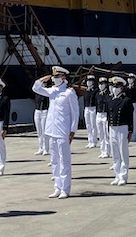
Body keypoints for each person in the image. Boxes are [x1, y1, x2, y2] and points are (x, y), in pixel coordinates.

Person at [32, 66, 79, 199]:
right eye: (54, 77)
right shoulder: (52, 91)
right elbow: (36, 88)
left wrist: (72, 130)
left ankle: (65, 188)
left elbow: (75, 113)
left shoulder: (69, 93)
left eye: (57, 77)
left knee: (64, 161)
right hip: (51, 130)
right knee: (54, 161)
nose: (54, 79)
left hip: (63, 130)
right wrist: (43, 79)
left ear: (63, 77)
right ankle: (57, 187)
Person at [106, 77, 133, 185]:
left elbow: (130, 117)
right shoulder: (110, 100)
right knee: (115, 153)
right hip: (112, 128)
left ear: (121, 88)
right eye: (113, 87)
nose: (114, 89)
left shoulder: (126, 100)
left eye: (117, 87)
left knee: (123, 152)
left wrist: (130, 130)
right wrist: (108, 129)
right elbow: (109, 116)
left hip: (122, 127)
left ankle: (123, 176)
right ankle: (117, 175)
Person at [96, 76, 111, 159]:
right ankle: (102, 151)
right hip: (99, 114)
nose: (100, 86)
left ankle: (107, 151)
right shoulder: (98, 94)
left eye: (102, 84)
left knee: (106, 134)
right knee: (100, 134)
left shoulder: (108, 94)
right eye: (99, 84)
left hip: (105, 114)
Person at [83, 74, 99, 149]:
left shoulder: (95, 91)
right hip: (87, 108)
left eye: (90, 81)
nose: (88, 83)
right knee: (88, 125)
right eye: (87, 81)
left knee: (93, 125)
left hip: (93, 108)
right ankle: (90, 140)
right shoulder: (86, 91)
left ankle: (94, 141)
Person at [33, 91, 51, 156]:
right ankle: (40, 148)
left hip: (44, 111)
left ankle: (46, 148)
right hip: (37, 110)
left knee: (44, 131)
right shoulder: (37, 91)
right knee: (39, 132)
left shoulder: (46, 92)